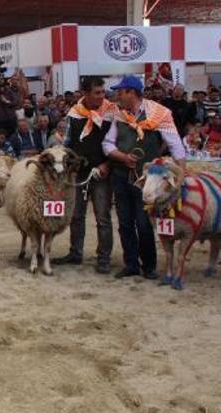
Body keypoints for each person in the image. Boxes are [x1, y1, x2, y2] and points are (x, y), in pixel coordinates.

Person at [103, 75, 185, 281]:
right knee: (124, 221)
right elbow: (107, 144)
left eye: (120, 92)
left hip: (150, 178)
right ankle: (131, 264)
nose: (117, 96)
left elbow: (175, 145)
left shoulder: (159, 113)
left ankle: (149, 265)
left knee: (144, 222)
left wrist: (182, 175)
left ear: (131, 92)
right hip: (121, 174)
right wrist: (122, 157)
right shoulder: (118, 114)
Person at [53, 76, 119, 274]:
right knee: (76, 215)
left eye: (102, 92)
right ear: (85, 94)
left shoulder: (112, 112)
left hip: (101, 171)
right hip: (79, 170)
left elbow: (118, 142)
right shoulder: (75, 112)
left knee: (102, 217)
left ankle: (104, 258)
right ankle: (75, 253)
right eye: (97, 92)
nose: (102, 96)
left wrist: (108, 164)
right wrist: (67, 163)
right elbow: (68, 141)